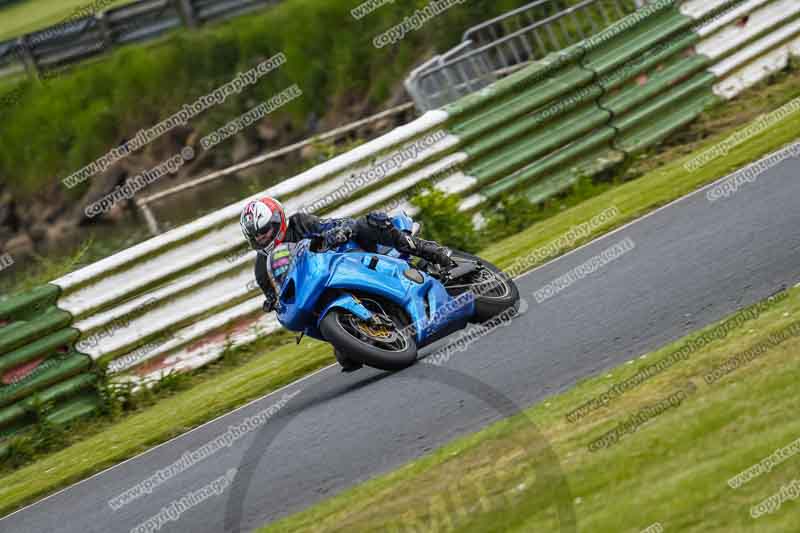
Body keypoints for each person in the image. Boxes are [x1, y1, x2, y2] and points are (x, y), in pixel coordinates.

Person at [240, 196, 454, 313]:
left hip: (349, 258)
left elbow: (338, 224)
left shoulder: (299, 223)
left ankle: (432, 252)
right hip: (319, 290)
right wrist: (273, 304)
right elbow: (278, 300)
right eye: (256, 237)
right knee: (346, 357)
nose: (262, 239)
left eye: (264, 231)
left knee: (368, 222)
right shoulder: (262, 269)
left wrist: (338, 232)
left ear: (278, 221)